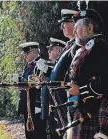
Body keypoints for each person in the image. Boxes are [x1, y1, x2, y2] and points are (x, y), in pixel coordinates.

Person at [66, 9, 108, 139]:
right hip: (84, 112)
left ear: (90, 28)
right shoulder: (86, 49)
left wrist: (80, 91)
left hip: (97, 116)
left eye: (77, 27)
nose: (74, 31)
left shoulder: (101, 48)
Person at [46, 9, 81, 139]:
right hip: (62, 98)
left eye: (65, 23)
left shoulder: (78, 45)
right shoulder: (70, 45)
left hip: (71, 97)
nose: (62, 27)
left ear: (74, 23)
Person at [18, 42, 47, 139]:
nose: (25, 56)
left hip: (36, 104)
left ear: (35, 52)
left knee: (38, 132)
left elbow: (39, 82)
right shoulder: (28, 65)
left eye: (27, 53)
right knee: (29, 132)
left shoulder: (41, 64)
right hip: (28, 105)